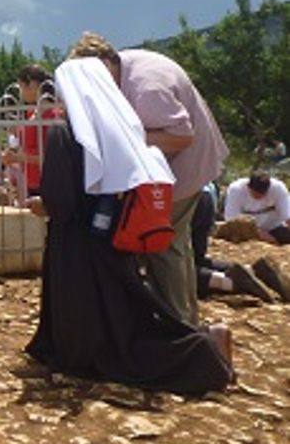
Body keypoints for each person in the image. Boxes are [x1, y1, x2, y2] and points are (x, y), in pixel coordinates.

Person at [26, 58, 234, 395]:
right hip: (113, 239)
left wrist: (40, 204)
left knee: (107, 345)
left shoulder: (66, 136)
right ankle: (198, 339)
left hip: (77, 248)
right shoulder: (122, 132)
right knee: (123, 320)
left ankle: (201, 349)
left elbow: (61, 201)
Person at [69, 32, 228, 329]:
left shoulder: (147, 89)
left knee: (162, 244)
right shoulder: (127, 67)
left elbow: (182, 137)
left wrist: (127, 138)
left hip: (184, 169)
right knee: (177, 246)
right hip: (175, 169)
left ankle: (179, 327)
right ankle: (184, 319)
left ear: (104, 65)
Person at [190, 183, 278, 302]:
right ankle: (254, 272)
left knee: (168, 270)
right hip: (204, 192)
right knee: (194, 258)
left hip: (178, 196)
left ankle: (231, 282)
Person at [1, 64, 62, 203]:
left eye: (22, 87)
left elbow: (52, 157)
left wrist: (19, 158)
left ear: (33, 84)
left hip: (47, 181)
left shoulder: (52, 116)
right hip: (30, 180)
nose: (20, 92)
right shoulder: (31, 113)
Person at [223, 171, 290, 246]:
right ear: (248, 187)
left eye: (263, 194)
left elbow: (287, 216)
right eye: (256, 194)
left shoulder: (278, 188)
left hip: (273, 227)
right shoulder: (236, 190)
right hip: (246, 231)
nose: (260, 197)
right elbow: (231, 219)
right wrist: (264, 236)